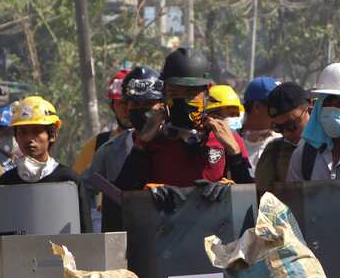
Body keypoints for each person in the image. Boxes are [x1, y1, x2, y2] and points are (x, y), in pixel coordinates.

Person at [116, 48, 253, 204]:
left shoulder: (226, 138)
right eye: (174, 94)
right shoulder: (152, 139)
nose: (183, 102)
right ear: (164, 95)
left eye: (190, 94)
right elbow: (120, 196)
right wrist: (145, 192)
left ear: (206, 94)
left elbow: (250, 201)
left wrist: (234, 158)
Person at [85, 66, 163, 231]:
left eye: (149, 103)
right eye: (136, 103)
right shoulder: (110, 150)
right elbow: (84, 189)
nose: (143, 111)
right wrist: (95, 224)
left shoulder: (176, 143)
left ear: (162, 105)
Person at [0, 96, 92, 230]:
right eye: (23, 132)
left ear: (52, 135)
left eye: (36, 131)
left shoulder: (68, 180)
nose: (29, 139)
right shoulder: (6, 182)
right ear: (16, 137)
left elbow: (85, 230)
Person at [254, 82, 311, 193]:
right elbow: (262, 196)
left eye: (290, 125)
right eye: (278, 128)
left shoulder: (330, 146)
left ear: (308, 110)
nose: (286, 133)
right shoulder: (274, 152)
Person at [72, 68, 131, 175]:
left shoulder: (158, 142)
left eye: (130, 103)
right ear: (112, 106)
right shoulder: (98, 144)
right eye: (120, 104)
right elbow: (76, 184)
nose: (126, 109)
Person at [239, 76, 280, 167]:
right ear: (257, 107)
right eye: (276, 107)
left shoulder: (282, 142)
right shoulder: (231, 138)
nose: (281, 112)